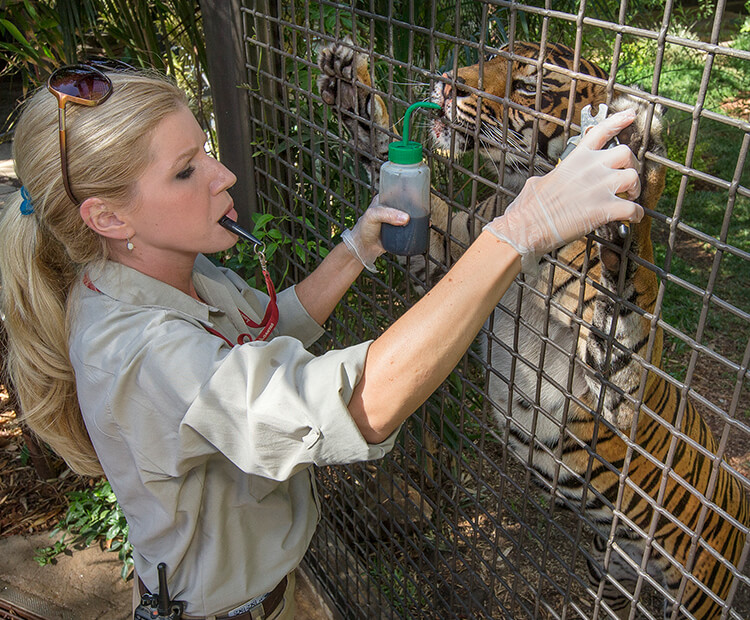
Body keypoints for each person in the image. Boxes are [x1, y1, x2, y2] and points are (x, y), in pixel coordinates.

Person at [0, 64, 641, 619]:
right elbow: (356, 406)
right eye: (186, 171)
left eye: (206, 150)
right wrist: (523, 229)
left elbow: (262, 333)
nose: (222, 176)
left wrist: (357, 248)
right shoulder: (140, 351)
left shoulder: (160, 274)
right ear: (108, 217)